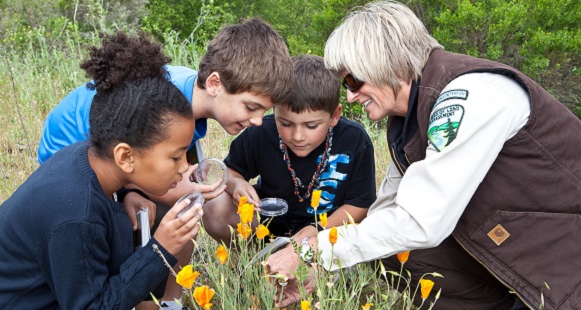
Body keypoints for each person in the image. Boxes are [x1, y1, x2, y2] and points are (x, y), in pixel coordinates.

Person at [269, 1, 581, 309]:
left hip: (563, 270)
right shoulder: (408, 122)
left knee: (404, 236)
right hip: (513, 252)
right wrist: (317, 268)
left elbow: (419, 221)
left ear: (385, 62)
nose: (350, 95)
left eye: (353, 80)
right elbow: (387, 213)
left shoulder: (469, 95)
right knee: (391, 249)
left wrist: (311, 250)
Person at [0, 32, 202, 309]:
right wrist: (161, 249)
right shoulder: (76, 214)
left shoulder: (85, 160)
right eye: (176, 156)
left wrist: (123, 197)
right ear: (125, 156)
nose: (184, 169)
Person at [37, 17, 294, 229]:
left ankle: (239, 276)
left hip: (122, 160)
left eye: (264, 111)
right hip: (72, 167)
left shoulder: (194, 92)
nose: (259, 121)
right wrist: (133, 192)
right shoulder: (167, 106)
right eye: (251, 107)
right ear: (215, 84)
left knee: (201, 205)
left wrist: (233, 183)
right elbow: (165, 181)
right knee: (186, 208)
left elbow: (179, 168)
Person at [203, 55, 376, 251]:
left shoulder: (354, 140)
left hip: (325, 232)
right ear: (273, 110)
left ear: (334, 115)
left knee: (304, 280)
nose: (298, 136)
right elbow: (230, 172)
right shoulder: (261, 132)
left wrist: (317, 230)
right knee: (214, 207)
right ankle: (254, 261)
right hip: (267, 226)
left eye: (311, 125)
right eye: (285, 123)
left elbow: (360, 204)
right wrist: (237, 184)